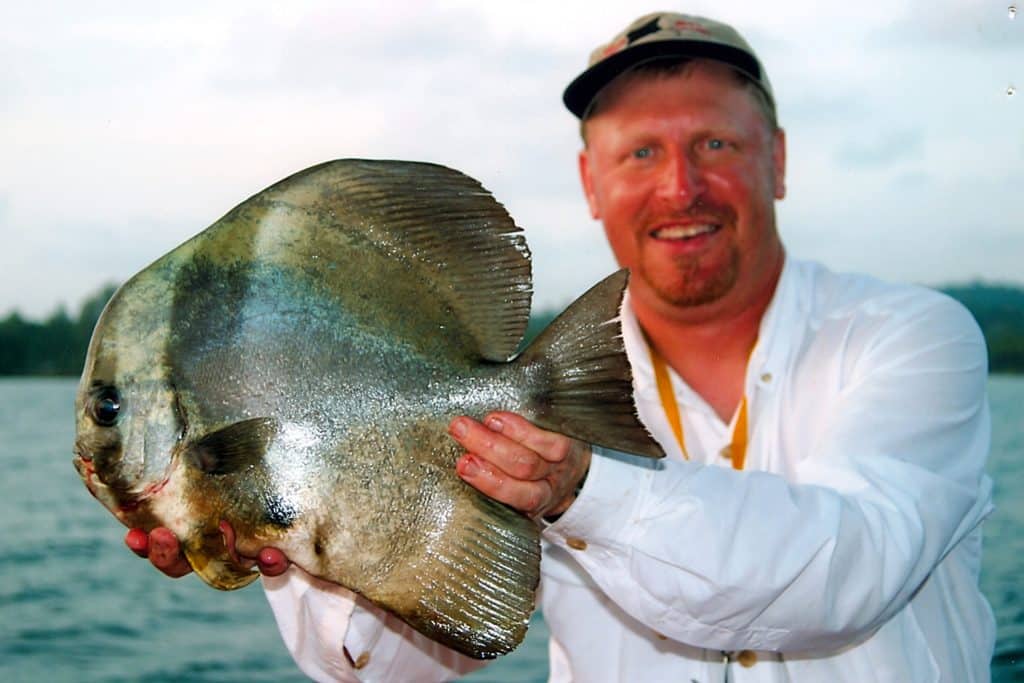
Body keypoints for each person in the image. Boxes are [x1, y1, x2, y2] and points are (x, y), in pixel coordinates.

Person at [129, 11, 996, 682]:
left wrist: (582, 488)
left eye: (716, 144)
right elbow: (409, 666)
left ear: (778, 160)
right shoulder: (508, 408)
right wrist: (300, 532)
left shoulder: (910, 338)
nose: (680, 185)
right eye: (641, 151)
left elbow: (853, 570)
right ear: (590, 182)